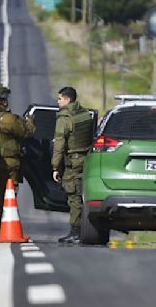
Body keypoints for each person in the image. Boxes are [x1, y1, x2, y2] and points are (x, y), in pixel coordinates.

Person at [0, 83, 35, 242]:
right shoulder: (9, 119)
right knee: (6, 197)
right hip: (8, 165)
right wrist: (29, 120)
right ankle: (0, 229)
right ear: (4, 101)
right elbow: (26, 132)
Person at [52, 86, 93, 244]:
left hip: (72, 161)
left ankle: (75, 232)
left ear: (68, 100)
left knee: (74, 197)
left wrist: (55, 167)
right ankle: (83, 229)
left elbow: (59, 145)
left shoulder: (64, 118)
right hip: (86, 159)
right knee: (83, 195)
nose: (58, 101)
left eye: (60, 98)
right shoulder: (84, 114)